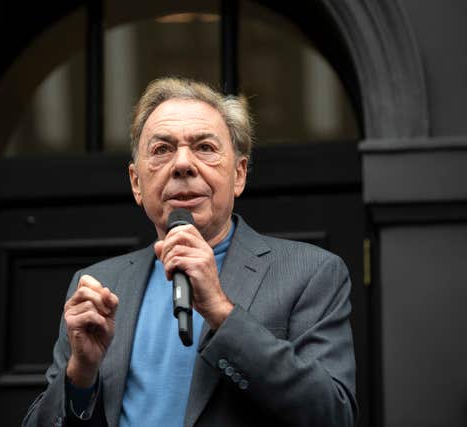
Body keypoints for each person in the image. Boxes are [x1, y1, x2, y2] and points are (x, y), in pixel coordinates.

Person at [22, 77, 357, 427]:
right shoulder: (99, 285)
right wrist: (81, 373)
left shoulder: (310, 272)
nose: (183, 164)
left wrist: (221, 313)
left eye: (205, 148)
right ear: (137, 183)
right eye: (162, 149)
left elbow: (333, 414)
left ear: (239, 174)